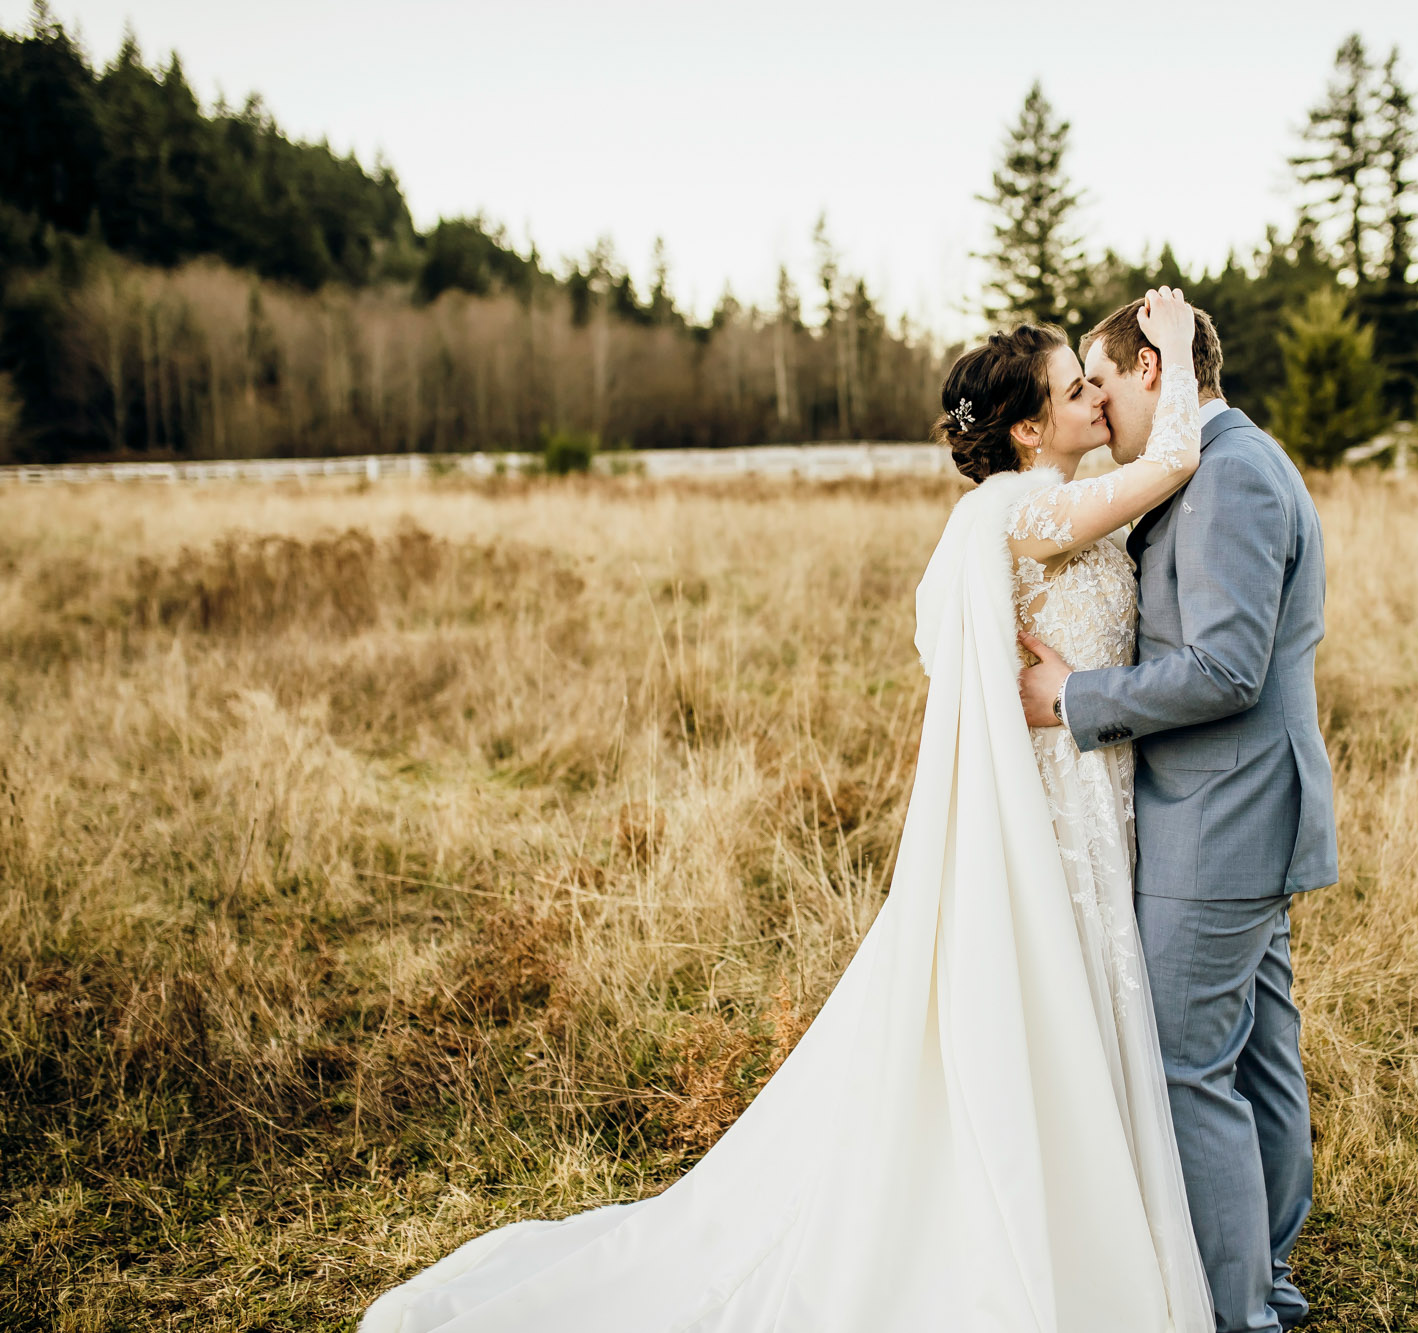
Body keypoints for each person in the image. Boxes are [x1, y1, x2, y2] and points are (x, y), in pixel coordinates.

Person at [358, 289, 1215, 1333]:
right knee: (1043, 1005)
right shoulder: (1014, 507)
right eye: (1073, 387)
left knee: (1080, 1008)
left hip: (1093, 792)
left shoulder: (1073, 500)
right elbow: (1173, 460)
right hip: (1050, 812)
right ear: (1027, 428)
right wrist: (1170, 350)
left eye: (1097, 382)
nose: (1092, 394)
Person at [1018, 296, 1340, 1333]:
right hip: (1237, 805)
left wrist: (1073, 700)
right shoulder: (1222, 464)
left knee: (1186, 1064)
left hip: (1222, 812)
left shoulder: (1233, 476)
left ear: (1151, 370)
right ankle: (1267, 1282)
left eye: (1103, 383)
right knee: (1253, 1055)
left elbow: (1225, 668)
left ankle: (1239, 1307)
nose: (1096, 406)